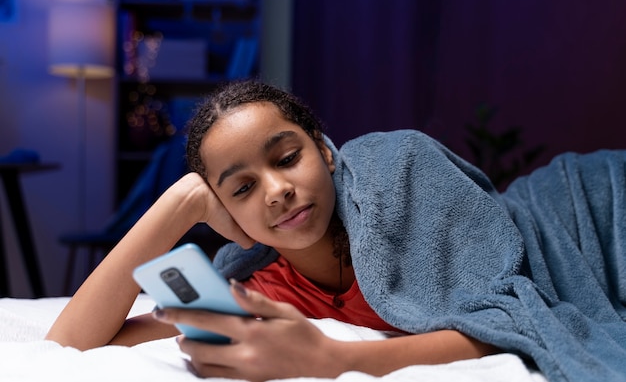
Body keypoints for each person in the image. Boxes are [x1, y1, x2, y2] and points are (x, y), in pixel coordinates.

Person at [46, 80, 626, 382]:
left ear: (325, 153)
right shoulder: (262, 289)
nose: (275, 190)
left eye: (287, 157)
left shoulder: (397, 175)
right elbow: (72, 341)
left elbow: (507, 320)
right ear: (224, 212)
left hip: (591, 211)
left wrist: (328, 360)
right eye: (241, 188)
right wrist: (176, 205)